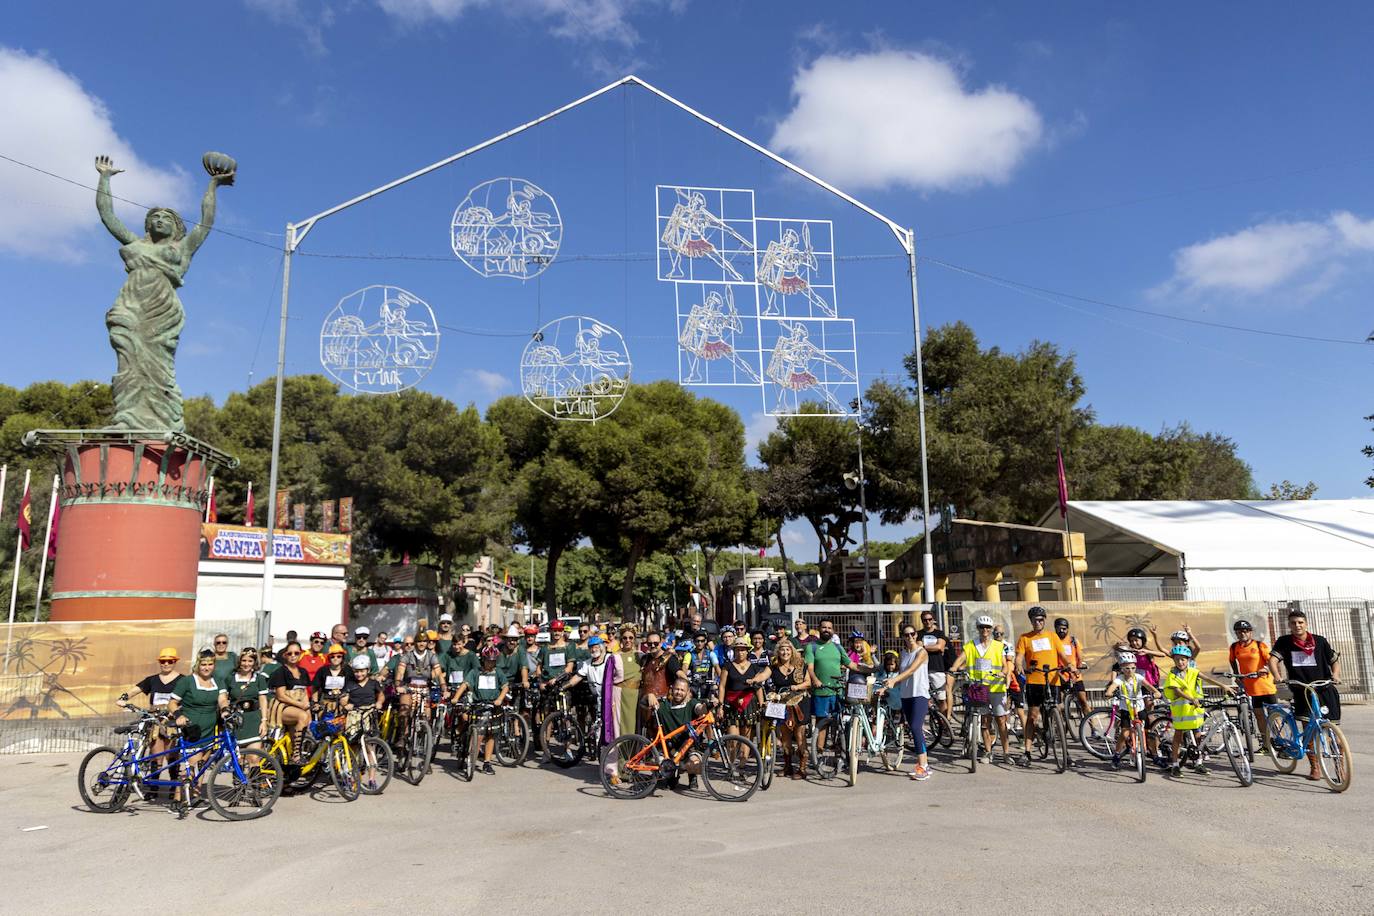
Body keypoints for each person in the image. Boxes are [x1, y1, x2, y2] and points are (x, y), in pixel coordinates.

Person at [1269, 608, 1342, 780]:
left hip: (1324, 689)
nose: (1297, 626)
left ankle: (1340, 768)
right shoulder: (1284, 641)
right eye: (1293, 623)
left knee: (1335, 733)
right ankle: (1314, 767)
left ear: (1306, 624)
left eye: (1300, 622)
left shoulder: (1320, 641)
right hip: (1301, 689)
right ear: (1289, 625)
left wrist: (1336, 675)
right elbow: (1272, 660)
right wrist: (1278, 677)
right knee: (1308, 730)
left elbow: (1334, 660)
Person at [949, 615, 1013, 763]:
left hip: (996, 686)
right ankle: (988, 752)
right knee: (984, 721)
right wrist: (953, 668)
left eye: (988, 627)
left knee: (1001, 720)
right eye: (982, 627)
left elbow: (1004, 665)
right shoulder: (971, 645)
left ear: (991, 630)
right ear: (978, 629)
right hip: (977, 687)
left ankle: (1006, 753)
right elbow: (961, 659)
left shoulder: (998, 646)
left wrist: (1003, 672)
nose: (985, 630)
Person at [1163, 646, 1233, 777]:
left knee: (1198, 736)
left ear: (1188, 659)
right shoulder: (1173, 675)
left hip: (1195, 711)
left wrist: (1223, 686)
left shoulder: (1193, 671)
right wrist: (1191, 698)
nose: (1180, 662)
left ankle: (1199, 763)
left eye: (1183, 659)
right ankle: (1175, 765)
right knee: (1178, 736)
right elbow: (1177, 691)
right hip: (1181, 711)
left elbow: (1207, 678)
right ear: (1174, 660)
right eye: (1177, 660)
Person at [1014, 606, 1070, 768]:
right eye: (1035, 620)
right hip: (1034, 681)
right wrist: (1019, 666)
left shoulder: (1052, 636)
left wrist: (1070, 665)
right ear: (1031, 621)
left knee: (1058, 710)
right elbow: (1019, 657)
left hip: (1052, 680)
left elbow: (1063, 655)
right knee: (1032, 716)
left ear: (1044, 620)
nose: (1038, 622)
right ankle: (1027, 752)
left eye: (1041, 619)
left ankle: (1065, 752)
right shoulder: (1025, 638)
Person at [168, 653, 228, 793]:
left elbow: (223, 699)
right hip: (191, 729)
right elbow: (172, 703)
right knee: (192, 764)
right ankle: (178, 799)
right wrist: (178, 715)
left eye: (210, 664)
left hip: (209, 729)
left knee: (203, 765)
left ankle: (196, 794)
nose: (207, 668)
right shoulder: (187, 681)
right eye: (203, 664)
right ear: (198, 665)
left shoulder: (218, 681)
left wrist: (225, 710)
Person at [118, 647, 184, 768]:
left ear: (175, 662)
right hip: (155, 721)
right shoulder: (152, 680)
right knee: (156, 754)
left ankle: (174, 784)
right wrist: (123, 698)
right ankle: (153, 785)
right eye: (163, 661)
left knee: (172, 755)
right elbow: (135, 690)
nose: (166, 664)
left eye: (170, 661)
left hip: (173, 722)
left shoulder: (183, 680)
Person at [884, 624, 932, 780]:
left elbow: (911, 670)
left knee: (917, 727)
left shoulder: (922, 652)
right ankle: (924, 764)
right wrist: (887, 685)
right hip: (906, 695)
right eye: (906, 635)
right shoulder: (903, 653)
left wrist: (894, 680)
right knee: (913, 728)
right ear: (903, 637)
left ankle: (923, 766)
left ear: (916, 635)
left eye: (912, 634)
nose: (910, 637)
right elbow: (901, 675)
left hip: (919, 694)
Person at [1104, 652, 1162, 769]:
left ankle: (1155, 756)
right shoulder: (1119, 679)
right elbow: (1111, 689)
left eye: (1133, 667)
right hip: (1126, 710)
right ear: (1121, 668)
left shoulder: (1139, 677)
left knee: (1149, 733)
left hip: (1140, 709)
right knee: (1125, 733)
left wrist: (1156, 693)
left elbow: (1151, 688)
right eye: (1127, 668)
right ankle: (1116, 755)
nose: (1130, 670)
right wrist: (1109, 693)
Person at [565, 637, 620, 759]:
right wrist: (565, 686)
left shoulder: (609, 659)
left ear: (601, 647)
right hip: (598, 699)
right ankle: (602, 757)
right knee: (598, 728)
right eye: (591, 647)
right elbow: (577, 677)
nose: (594, 649)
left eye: (596, 647)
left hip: (612, 698)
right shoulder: (587, 663)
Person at [459, 646, 510, 774]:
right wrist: (456, 697)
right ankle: (471, 759)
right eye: (488, 661)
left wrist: (499, 699)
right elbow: (465, 684)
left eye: (493, 661)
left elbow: (505, 687)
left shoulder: (498, 672)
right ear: (483, 660)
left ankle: (487, 762)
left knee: (491, 734)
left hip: (493, 707)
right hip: (478, 706)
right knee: (479, 734)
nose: (490, 663)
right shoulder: (475, 672)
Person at [644, 676, 701, 791]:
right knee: (653, 761)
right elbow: (643, 702)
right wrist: (649, 696)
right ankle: (667, 775)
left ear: (688, 692)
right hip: (667, 750)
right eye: (677, 689)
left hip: (686, 748)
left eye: (682, 690)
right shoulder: (663, 705)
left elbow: (700, 709)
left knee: (695, 763)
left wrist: (708, 706)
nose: (679, 692)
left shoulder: (691, 704)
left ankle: (692, 777)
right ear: (672, 689)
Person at [766, 639, 810, 778]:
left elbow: (808, 682)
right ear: (778, 652)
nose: (785, 652)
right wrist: (754, 679)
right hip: (782, 704)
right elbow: (763, 675)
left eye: (788, 649)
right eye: (782, 649)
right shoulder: (773, 666)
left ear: (792, 651)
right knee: (785, 736)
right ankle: (787, 767)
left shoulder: (800, 664)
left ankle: (802, 768)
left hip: (800, 702)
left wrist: (797, 687)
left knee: (799, 735)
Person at [342, 655, 386, 791]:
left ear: (367, 670)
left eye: (362, 671)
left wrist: (379, 703)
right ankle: (350, 777)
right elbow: (343, 699)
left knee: (370, 748)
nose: (359, 674)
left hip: (369, 715)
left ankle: (372, 778)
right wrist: (346, 704)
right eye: (356, 671)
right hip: (354, 716)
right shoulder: (350, 684)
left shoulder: (373, 683)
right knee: (353, 747)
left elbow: (381, 695)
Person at [1228, 619, 1278, 731]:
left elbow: (1271, 660)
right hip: (1251, 687)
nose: (1242, 634)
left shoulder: (1259, 645)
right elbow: (1232, 660)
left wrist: (1265, 669)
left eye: (1245, 631)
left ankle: (1281, 740)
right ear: (1236, 634)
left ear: (1250, 632)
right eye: (1239, 632)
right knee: (1259, 716)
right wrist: (1237, 675)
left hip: (1265, 686)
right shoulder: (1234, 647)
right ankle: (1266, 744)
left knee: (1274, 715)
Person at [268, 641, 313, 761]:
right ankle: (296, 755)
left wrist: (307, 708)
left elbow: (303, 693)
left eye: (296, 653)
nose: (293, 655)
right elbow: (281, 696)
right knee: (302, 716)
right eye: (290, 653)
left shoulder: (303, 672)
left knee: (306, 719)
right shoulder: (280, 672)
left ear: (300, 654)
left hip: (297, 707)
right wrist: (301, 706)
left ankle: (290, 763)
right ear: (285, 655)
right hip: (281, 707)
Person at [718, 640, 769, 741]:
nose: (740, 653)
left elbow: (758, 687)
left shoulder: (754, 667)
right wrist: (720, 707)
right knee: (733, 740)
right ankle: (731, 757)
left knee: (746, 739)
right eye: (737, 650)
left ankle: (744, 757)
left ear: (747, 652)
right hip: (731, 704)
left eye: (743, 650)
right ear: (734, 651)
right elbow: (722, 686)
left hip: (749, 704)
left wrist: (761, 703)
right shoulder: (727, 666)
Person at [395, 631, 444, 724]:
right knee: (404, 710)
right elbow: (400, 672)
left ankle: (424, 733)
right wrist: (398, 685)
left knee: (427, 715)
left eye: (424, 641)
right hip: (409, 686)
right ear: (415, 642)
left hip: (425, 687)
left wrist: (444, 687)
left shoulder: (431, 656)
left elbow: (439, 673)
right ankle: (403, 735)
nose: (422, 644)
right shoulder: (407, 655)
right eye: (419, 641)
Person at [226, 647, 270, 745]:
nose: (246, 664)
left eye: (250, 661)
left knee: (254, 757)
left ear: (254, 662)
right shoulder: (231, 678)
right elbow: (224, 698)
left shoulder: (259, 679)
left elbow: (263, 701)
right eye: (244, 660)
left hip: (254, 720)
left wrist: (264, 721)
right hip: (236, 721)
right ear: (239, 661)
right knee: (238, 758)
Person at [1053, 617, 1092, 719]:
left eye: (1064, 628)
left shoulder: (1073, 641)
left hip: (1074, 675)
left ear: (1067, 629)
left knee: (1083, 701)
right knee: (1059, 704)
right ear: (1055, 629)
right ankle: (1062, 726)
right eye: (1059, 628)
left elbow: (1079, 656)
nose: (1062, 631)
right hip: (1059, 675)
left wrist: (1079, 666)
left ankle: (1093, 728)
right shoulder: (1053, 641)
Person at [917, 610, 952, 723]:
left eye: (929, 619)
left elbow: (940, 647)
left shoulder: (939, 633)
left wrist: (924, 646)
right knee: (923, 698)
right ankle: (927, 721)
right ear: (922, 621)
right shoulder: (919, 634)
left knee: (941, 698)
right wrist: (933, 646)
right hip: (922, 669)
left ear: (933, 620)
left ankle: (944, 723)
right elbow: (917, 647)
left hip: (937, 668)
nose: (927, 622)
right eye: (925, 620)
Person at [615, 626, 642, 740]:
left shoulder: (640, 655)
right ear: (621, 640)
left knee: (637, 726)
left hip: (637, 695)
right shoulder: (614, 657)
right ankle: (622, 756)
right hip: (621, 696)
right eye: (625, 638)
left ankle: (636, 755)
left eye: (631, 638)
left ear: (634, 639)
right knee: (622, 727)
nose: (628, 640)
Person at [312, 645, 351, 715]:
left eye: (339, 656)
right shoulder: (322, 670)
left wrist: (349, 699)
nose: (335, 659)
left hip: (343, 704)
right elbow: (315, 687)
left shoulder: (348, 670)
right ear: (329, 658)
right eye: (332, 657)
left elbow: (353, 686)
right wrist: (315, 703)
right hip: (325, 703)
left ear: (342, 658)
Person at [443, 635, 479, 704]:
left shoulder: (471, 655)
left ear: (464, 643)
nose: (456, 647)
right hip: (451, 688)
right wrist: (444, 688)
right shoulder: (448, 655)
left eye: (459, 644)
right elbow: (443, 673)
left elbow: (476, 672)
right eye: (454, 644)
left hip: (466, 689)